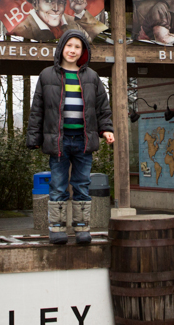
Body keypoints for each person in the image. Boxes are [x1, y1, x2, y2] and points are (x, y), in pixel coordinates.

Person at [26, 29, 114, 245]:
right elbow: (37, 109)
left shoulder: (92, 77)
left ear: (83, 51)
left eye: (77, 47)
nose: (72, 50)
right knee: (58, 184)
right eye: (69, 46)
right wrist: (34, 137)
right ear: (61, 48)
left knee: (82, 183)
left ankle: (83, 227)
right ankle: (56, 228)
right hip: (59, 141)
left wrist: (107, 129)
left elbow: (103, 107)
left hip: (83, 140)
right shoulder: (47, 76)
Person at [9, 0, 104, 41]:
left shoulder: (72, 23)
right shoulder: (23, 28)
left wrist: (80, 12)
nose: (56, 8)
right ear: (35, 4)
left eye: (61, 1)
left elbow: (98, 36)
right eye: (49, 1)